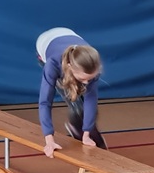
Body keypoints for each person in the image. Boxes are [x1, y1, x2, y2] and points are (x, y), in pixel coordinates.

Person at [36, 27, 105, 157]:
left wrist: (86, 134)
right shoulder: (53, 65)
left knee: (88, 106)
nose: (86, 83)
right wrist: (49, 140)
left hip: (67, 34)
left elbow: (91, 100)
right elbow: (45, 102)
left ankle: (83, 128)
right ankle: (75, 125)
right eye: (83, 79)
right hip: (45, 43)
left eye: (89, 79)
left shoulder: (92, 64)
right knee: (76, 105)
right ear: (70, 68)